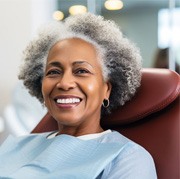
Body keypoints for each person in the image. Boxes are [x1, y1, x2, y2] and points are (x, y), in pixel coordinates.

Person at [0, 13, 157, 178]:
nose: (64, 83)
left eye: (81, 71)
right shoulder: (18, 145)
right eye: (54, 72)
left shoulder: (127, 158)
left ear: (106, 89)